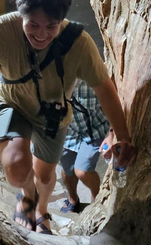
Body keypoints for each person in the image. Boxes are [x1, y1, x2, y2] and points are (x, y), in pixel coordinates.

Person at [0, 0, 136, 235]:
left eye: (51, 26)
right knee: (16, 168)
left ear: (61, 21)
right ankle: (26, 196)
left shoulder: (78, 43)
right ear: (21, 14)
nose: (41, 34)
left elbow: (104, 88)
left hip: (53, 113)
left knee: (45, 176)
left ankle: (41, 209)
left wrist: (121, 135)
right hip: (11, 102)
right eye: (33, 24)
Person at [58, 79, 111, 213]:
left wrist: (112, 133)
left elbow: (112, 103)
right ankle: (72, 199)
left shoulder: (92, 79)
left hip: (95, 129)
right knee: (67, 170)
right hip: (68, 131)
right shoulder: (50, 81)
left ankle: (97, 198)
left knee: (82, 171)